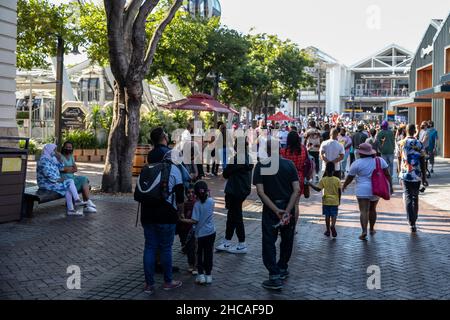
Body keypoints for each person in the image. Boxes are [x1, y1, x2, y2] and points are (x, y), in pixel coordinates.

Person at [253, 136, 300, 291]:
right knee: (287, 240)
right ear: (280, 149)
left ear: (266, 150)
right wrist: (287, 211)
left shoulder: (261, 166)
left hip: (271, 210)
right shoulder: (289, 164)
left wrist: (276, 210)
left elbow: (260, 192)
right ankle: (282, 267)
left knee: (269, 242)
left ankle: (274, 275)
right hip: (288, 208)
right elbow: (297, 190)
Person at [141, 148, 184, 295]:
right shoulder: (175, 170)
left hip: (147, 214)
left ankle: (149, 285)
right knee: (166, 248)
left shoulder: (148, 169)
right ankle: (168, 282)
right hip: (166, 215)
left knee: (150, 247)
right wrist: (180, 214)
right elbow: (180, 200)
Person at [342, 143, 392, 240]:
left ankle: (364, 231)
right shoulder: (379, 160)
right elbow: (387, 174)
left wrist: (344, 185)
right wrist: (390, 186)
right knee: (373, 209)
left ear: (360, 153)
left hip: (362, 190)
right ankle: (372, 229)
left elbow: (350, 177)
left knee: (363, 211)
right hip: (376, 189)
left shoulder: (357, 163)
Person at [216, 137, 254, 254]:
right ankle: (227, 242)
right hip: (242, 191)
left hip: (235, 191)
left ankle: (241, 243)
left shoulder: (237, 159)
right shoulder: (249, 158)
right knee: (232, 216)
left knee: (236, 217)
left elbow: (226, 173)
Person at [180, 180, 216, 285]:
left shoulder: (197, 205)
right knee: (209, 254)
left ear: (196, 193)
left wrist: (182, 220)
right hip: (211, 232)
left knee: (199, 254)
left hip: (200, 234)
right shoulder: (211, 201)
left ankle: (201, 275)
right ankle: (208, 275)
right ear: (206, 191)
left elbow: (194, 221)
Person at [36, 144, 86, 216]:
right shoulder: (43, 160)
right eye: (54, 150)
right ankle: (73, 207)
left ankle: (75, 202)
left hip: (53, 182)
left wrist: (60, 160)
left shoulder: (52, 158)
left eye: (56, 150)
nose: (56, 152)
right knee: (68, 186)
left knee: (70, 182)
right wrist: (58, 179)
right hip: (46, 183)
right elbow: (47, 173)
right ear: (49, 150)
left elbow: (61, 168)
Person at [398, 124, 428, 232]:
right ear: (414, 131)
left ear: (406, 131)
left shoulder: (401, 143)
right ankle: (414, 219)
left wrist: (399, 172)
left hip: (405, 174)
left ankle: (411, 223)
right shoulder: (419, 143)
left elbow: (398, 159)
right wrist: (424, 177)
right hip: (417, 174)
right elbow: (422, 160)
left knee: (408, 197)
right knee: (415, 197)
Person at [60, 141, 96, 213]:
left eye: (70, 147)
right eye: (66, 147)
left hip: (73, 178)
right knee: (84, 185)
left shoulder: (71, 156)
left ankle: (87, 202)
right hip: (66, 180)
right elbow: (61, 169)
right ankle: (86, 205)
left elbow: (75, 169)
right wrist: (69, 169)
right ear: (63, 147)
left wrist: (67, 169)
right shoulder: (60, 157)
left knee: (84, 179)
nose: (68, 149)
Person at [280, 131, 308, 223]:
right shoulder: (303, 149)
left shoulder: (284, 151)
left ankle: (284, 223)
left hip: (285, 178)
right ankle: (293, 226)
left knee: (285, 203)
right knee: (296, 204)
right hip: (299, 177)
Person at [309, 162, 341, 238]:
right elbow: (339, 191)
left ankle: (327, 230)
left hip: (326, 200)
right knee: (334, 214)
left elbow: (318, 189)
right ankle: (332, 225)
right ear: (333, 171)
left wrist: (310, 184)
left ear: (326, 170)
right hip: (335, 200)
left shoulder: (323, 180)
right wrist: (339, 200)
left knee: (327, 215)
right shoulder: (337, 180)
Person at [177, 185, 197, 275]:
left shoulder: (197, 203)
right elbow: (181, 214)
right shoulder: (184, 203)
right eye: (188, 192)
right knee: (188, 247)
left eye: (192, 192)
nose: (190, 194)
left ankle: (193, 265)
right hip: (185, 228)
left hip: (193, 229)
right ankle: (191, 264)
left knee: (192, 247)